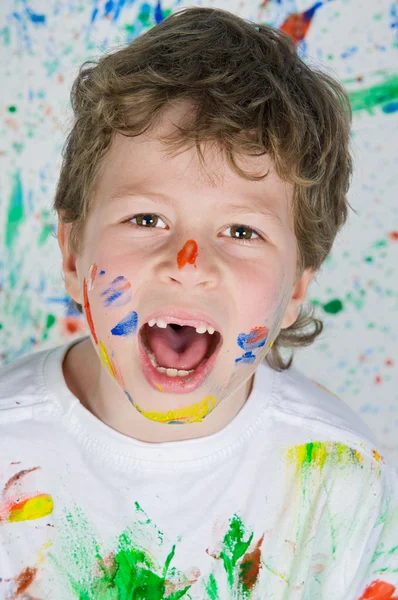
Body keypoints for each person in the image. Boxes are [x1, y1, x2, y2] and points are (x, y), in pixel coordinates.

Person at [0, 6, 397, 599]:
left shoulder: (340, 476)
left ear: (294, 288)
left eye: (241, 232)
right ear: (72, 251)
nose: (189, 265)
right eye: (146, 217)